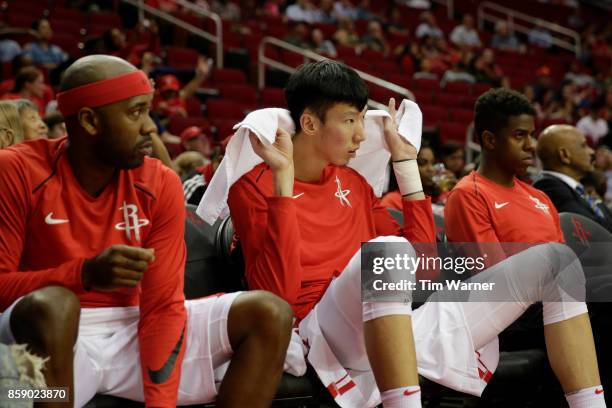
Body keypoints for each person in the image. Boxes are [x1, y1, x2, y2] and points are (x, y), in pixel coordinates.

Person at [227, 61, 605, 408]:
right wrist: (283, 186)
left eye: (362, 119)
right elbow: (277, 298)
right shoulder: (253, 187)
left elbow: (424, 269)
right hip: (322, 331)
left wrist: (406, 164)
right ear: (310, 125)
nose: (361, 134)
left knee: (558, 262)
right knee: (387, 250)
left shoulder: (355, 183)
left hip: (394, 321)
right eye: (349, 121)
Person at [0, 55, 293, 408]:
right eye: (136, 112)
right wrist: (84, 274)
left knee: (269, 312)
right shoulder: (16, 169)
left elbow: (163, 306)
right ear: (90, 121)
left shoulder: (160, 180)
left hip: (135, 325)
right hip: (45, 339)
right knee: (54, 306)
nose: (149, 128)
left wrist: (160, 403)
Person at [444, 88, 605, 407]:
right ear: (489, 140)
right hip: (506, 313)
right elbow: (494, 279)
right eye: (520, 136)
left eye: (531, 135)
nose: (531, 145)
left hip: (553, 306)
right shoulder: (468, 194)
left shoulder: (540, 198)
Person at [534, 124, 612, 232]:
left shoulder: (576, 186)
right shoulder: (549, 186)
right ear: (564, 155)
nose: (592, 152)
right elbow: (594, 229)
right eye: (584, 146)